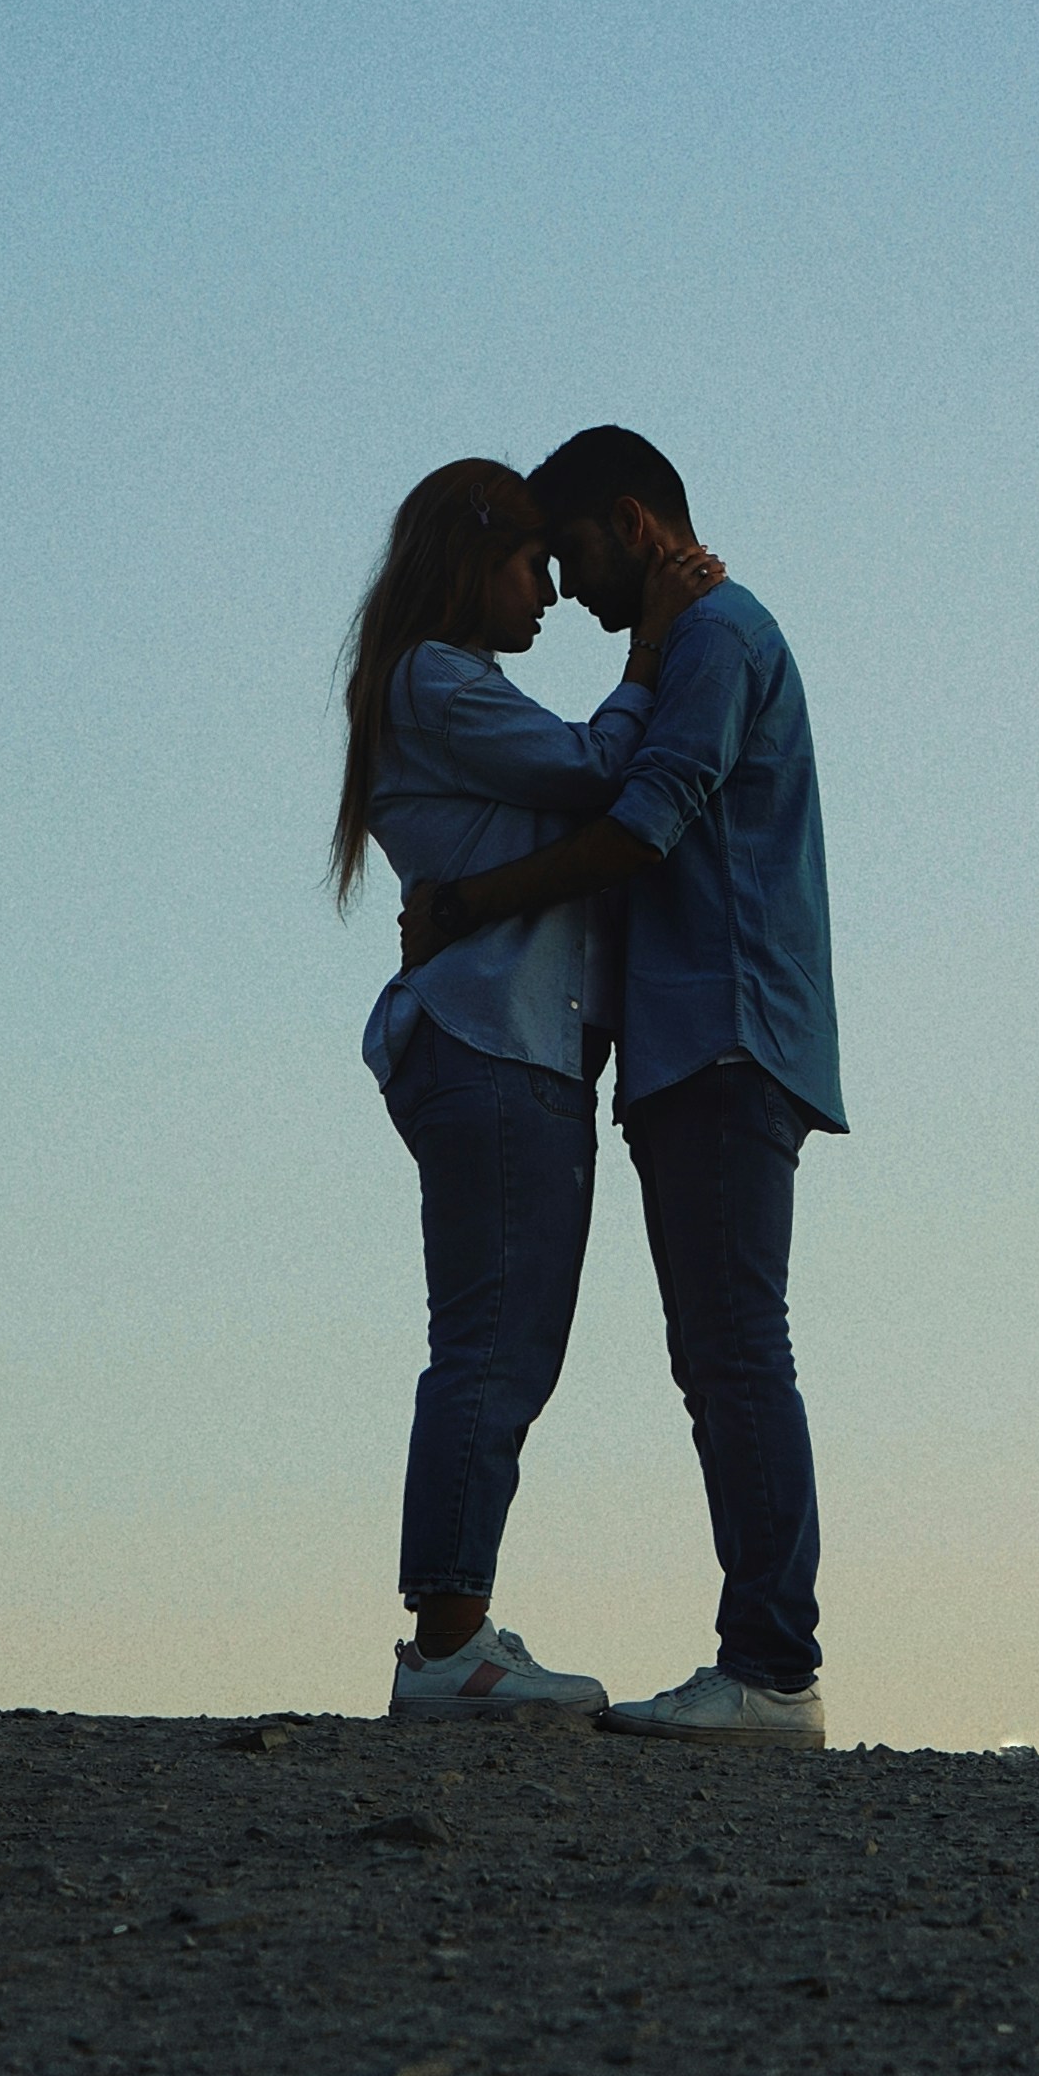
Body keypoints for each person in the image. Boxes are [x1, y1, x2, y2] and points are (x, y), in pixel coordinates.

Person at [396, 427, 841, 1746]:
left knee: (735, 1348)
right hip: (694, 1042)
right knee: (718, 1350)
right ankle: (763, 1663)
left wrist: (470, 900)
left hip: (722, 1034)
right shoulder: (704, 635)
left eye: (575, 550)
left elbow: (638, 822)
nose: (571, 590)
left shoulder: (710, 637)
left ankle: (770, 1668)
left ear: (635, 522)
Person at [333, 456, 723, 1721]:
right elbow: (591, 769)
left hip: (517, 1045)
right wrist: (653, 652)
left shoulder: (444, 689)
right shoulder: (434, 679)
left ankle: (455, 1623)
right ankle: (447, 1642)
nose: (549, 596)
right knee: (493, 1343)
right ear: (471, 562)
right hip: (494, 1038)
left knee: (506, 1343)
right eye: (527, 568)